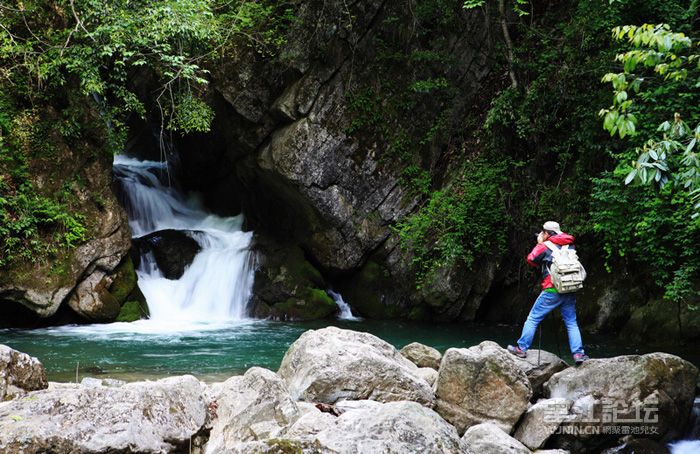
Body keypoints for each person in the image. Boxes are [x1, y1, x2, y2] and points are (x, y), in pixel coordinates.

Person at [507, 221, 589, 365]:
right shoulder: (569, 244)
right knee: (571, 323)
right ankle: (578, 355)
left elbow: (531, 259)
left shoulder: (545, 246)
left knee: (533, 318)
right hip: (570, 288)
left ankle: (521, 349)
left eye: (542, 232)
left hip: (552, 289)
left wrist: (540, 243)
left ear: (546, 233)